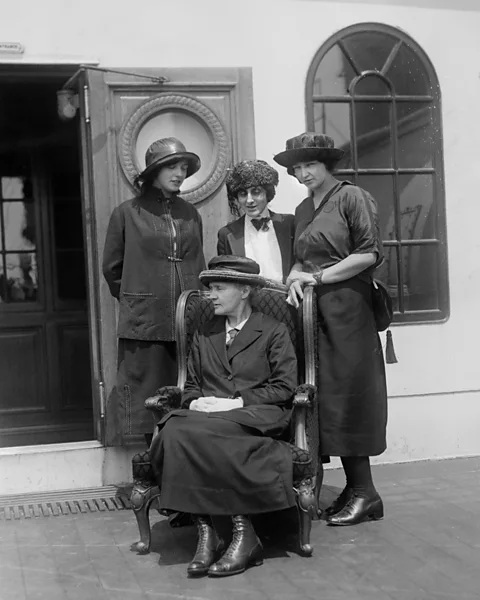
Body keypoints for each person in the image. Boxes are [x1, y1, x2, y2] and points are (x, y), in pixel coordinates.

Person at [149, 255, 298, 577]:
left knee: (198, 435)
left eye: (218, 288)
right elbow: (189, 386)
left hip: (257, 415)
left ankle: (235, 534)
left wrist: (235, 403)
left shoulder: (274, 331)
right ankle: (212, 533)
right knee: (173, 430)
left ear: (244, 291)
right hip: (209, 419)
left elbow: (285, 387)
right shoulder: (204, 333)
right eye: (209, 289)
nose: (210, 296)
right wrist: (193, 403)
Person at [273, 132, 388, 526]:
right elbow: (299, 261)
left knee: (351, 396)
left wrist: (317, 278)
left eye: (310, 165)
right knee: (328, 400)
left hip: (350, 311)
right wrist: (293, 278)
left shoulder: (351, 197)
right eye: (297, 167)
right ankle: (354, 489)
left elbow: (369, 253)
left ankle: (365, 492)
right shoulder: (305, 208)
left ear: (327, 165)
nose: (303, 173)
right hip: (314, 314)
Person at [102, 138, 206, 442]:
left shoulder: (190, 214)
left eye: (184, 167)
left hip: (187, 319)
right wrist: (141, 299)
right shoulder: (127, 213)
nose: (179, 172)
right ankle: (150, 472)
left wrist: (194, 304)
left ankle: (179, 471)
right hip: (145, 323)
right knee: (148, 397)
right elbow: (112, 269)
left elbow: (198, 261)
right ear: (154, 171)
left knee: (185, 395)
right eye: (172, 166)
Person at [217, 160, 294, 285]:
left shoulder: (289, 224)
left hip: (286, 299)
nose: (249, 200)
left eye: (256, 192)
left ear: (267, 193)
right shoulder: (226, 234)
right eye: (243, 194)